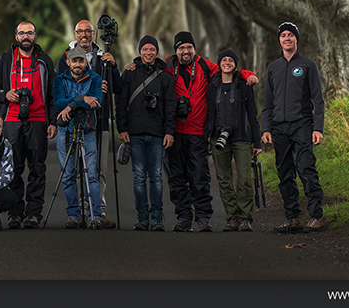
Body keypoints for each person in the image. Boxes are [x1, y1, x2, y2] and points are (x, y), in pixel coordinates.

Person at [162, 31, 257, 232]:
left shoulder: (206, 66)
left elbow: (229, 69)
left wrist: (249, 75)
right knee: (177, 177)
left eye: (189, 47)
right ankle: (184, 217)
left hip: (198, 131)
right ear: (176, 50)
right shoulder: (168, 67)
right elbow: (149, 69)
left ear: (194, 49)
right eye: (181, 48)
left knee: (200, 176)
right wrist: (131, 65)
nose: (185, 51)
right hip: (175, 131)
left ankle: (203, 217)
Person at [0, 20, 57, 229]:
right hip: (11, 120)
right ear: (16, 36)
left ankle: (34, 213)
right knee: (13, 167)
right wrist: (6, 95)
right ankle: (15, 212)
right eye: (21, 33)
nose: (25, 37)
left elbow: (52, 93)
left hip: (38, 120)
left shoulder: (44, 61)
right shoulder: (7, 59)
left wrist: (52, 121)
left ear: (35, 36)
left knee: (37, 168)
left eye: (29, 33)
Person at [261, 21, 326, 233]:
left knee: (306, 167)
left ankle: (316, 216)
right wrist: (266, 129)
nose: (287, 38)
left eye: (290, 35)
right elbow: (268, 103)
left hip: (302, 125)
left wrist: (318, 128)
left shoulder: (308, 65)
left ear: (296, 39)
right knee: (284, 173)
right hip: (279, 128)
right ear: (279, 40)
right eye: (283, 35)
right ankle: (293, 218)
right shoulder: (273, 68)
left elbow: (319, 100)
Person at [56, 19, 121, 228]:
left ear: (93, 33)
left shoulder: (104, 58)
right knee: (71, 173)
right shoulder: (64, 61)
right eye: (80, 31)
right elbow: (59, 98)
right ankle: (78, 213)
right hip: (69, 126)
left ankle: (97, 212)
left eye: (88, 31)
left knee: (96, 172)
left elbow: (113, 89)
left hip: (96, 124)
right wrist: (81, 99)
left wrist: (114, 66)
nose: (84, 35)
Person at [116, 35, 176, 231]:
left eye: (152, 49)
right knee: (139, 176)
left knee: (156, 176)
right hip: (135, 133)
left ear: (156, 52)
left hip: (158, 134)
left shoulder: (165, 76)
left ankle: (157, 216)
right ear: (139, 51)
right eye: (145, 49)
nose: (148, 53)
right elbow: (121, 102)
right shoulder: (130, 73)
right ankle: (142, 216)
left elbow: (170, 106)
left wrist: (169, 131)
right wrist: (122, 128)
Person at [206, 48, 262, 231]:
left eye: (231, 60)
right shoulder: (213, 84)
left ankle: (245, 217)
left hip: (242, 138)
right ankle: (232, 216)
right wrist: (207, 135)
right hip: (217, 137)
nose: (227, 62)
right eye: (224, 60)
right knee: (224, 179)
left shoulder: (244, 84)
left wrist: (257, 141)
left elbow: (253, 114)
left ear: (236, 64)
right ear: (219, 63)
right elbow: (208, 112)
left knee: (244, 178)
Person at [53, 46, 104, 229]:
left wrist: (71, 105)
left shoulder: (95, 79)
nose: (77, 64)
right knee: (68, 175)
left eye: (81, 61)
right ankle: (73, 214)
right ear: (68, 62)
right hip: (65, 132)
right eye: (74, 61)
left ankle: (94, 215)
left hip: (88, 131)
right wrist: (81, 100)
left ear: (86, 62)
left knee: (91, 175)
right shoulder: (60, 80)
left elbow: (96, 102)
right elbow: (58, 104)